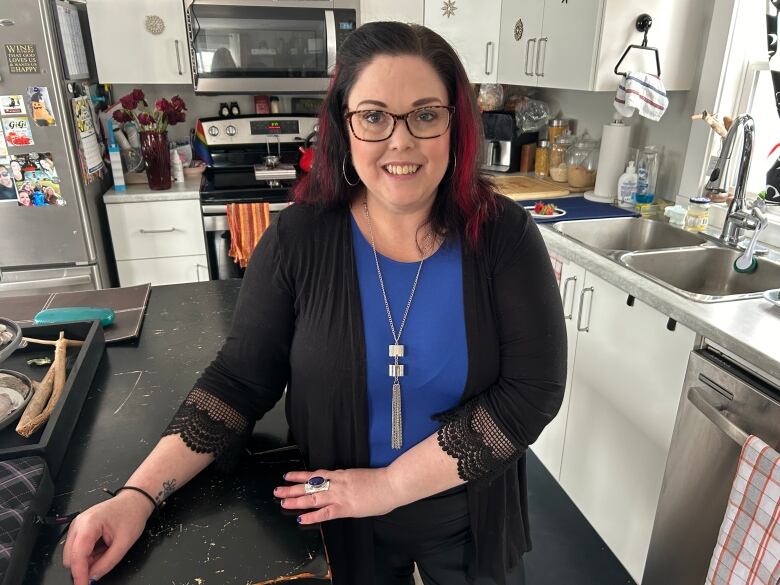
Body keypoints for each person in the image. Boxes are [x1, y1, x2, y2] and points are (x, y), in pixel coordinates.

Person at [62, 22, 567, 585]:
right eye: (374, 116)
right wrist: (136, 497)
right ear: (344, 128)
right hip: (335, 515)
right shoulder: (300, 238)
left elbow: (532, 393)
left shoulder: (504, 236)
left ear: (455, 123)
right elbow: (238, 382)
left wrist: (388, 487)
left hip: (469, 511)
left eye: (425, 114)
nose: (400, 141)